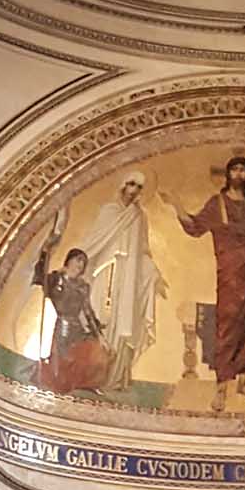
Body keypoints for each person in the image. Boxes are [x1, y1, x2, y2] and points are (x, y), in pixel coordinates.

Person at [171, 156, 245, 412]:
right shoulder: (218, 204)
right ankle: (221, 389)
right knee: (228, 328)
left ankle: (243, 383)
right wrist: (177, 206)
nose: (239, 174)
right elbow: (195, 227)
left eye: (243, 170)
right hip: (231, 274)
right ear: (228, 174)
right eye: (234, 170)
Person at [83, 169, 166, 391]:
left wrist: (153, 274)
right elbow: (94, 242)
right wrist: (77, 264)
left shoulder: (139, 217)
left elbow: (143, 251)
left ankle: (115, 377)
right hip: (105, 272)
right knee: (100, 316)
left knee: (124, 321)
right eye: (131, 184)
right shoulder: (109, 211)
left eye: (139, 187)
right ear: (122, 185)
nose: (134, 191)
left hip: (128, 279)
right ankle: (91, 376)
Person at [32, 243, 107, 395]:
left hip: (77, 327)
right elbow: (40, 279)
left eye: (83, 262)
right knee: (64, 363)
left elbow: (88, 312)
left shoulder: (83, 286)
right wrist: (44, 255)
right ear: (69, 260)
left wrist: (99, 335)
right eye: (78, 259)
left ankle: (88, 383)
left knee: (97, 351)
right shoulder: (55, 279)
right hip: (62, 326)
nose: (80, 264)